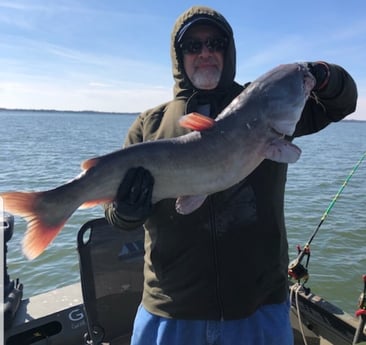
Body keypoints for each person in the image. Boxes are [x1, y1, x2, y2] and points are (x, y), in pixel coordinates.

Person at [105, 5, 358, 345]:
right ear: (179, 57)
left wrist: (323, 73)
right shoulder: (149, 125)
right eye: (193, 46)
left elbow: (342, 103)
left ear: (229, 49)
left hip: (258, 306)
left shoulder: (268, 104)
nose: (205, 53)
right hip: (170, 309)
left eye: (215, 43)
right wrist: (125, 211)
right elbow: (114, 214)